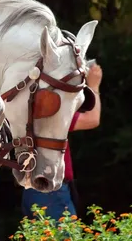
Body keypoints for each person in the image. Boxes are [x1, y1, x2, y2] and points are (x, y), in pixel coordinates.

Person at [22, 62, 103, 220]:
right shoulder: (48, 111)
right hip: (51, 188)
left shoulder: (28, 107)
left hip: (34, 186)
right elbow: (92, 119)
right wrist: (94, 86)